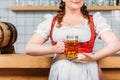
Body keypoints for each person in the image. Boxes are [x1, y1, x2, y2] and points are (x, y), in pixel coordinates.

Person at [25, 0, 120, 80]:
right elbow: (29, 48)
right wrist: (54, 49)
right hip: (61, 72)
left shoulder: (94, 20)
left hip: (87, 71)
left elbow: (115, 43)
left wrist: (94, 57)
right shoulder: (51, 22)